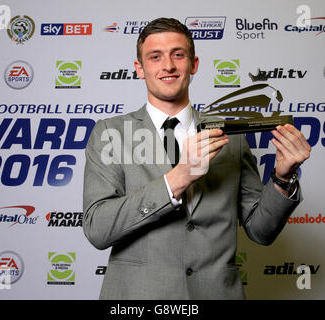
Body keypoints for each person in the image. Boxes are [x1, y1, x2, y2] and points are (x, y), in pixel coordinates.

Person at [83, 17, 311, 299]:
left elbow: (260, 231)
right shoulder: (110, 132)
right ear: (140, 69)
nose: (168, 65)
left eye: (178, 54)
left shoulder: (232, 135)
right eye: (155, 57)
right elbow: (98, 229)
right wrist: (177, 179)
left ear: (194, 65)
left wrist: (283, 178)